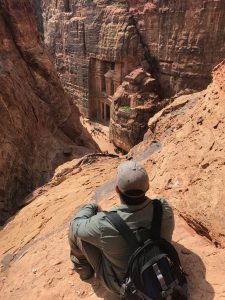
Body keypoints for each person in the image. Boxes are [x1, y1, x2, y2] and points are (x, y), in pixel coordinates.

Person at [68, 160, 175, 295]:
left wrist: (91, 206)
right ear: (147, 187)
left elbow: (75, 225)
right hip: (160, 269)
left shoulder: (104, 223)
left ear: (117, 189)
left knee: (77, 234)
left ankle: (85, 272)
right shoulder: (164, 208)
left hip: (126, 286)